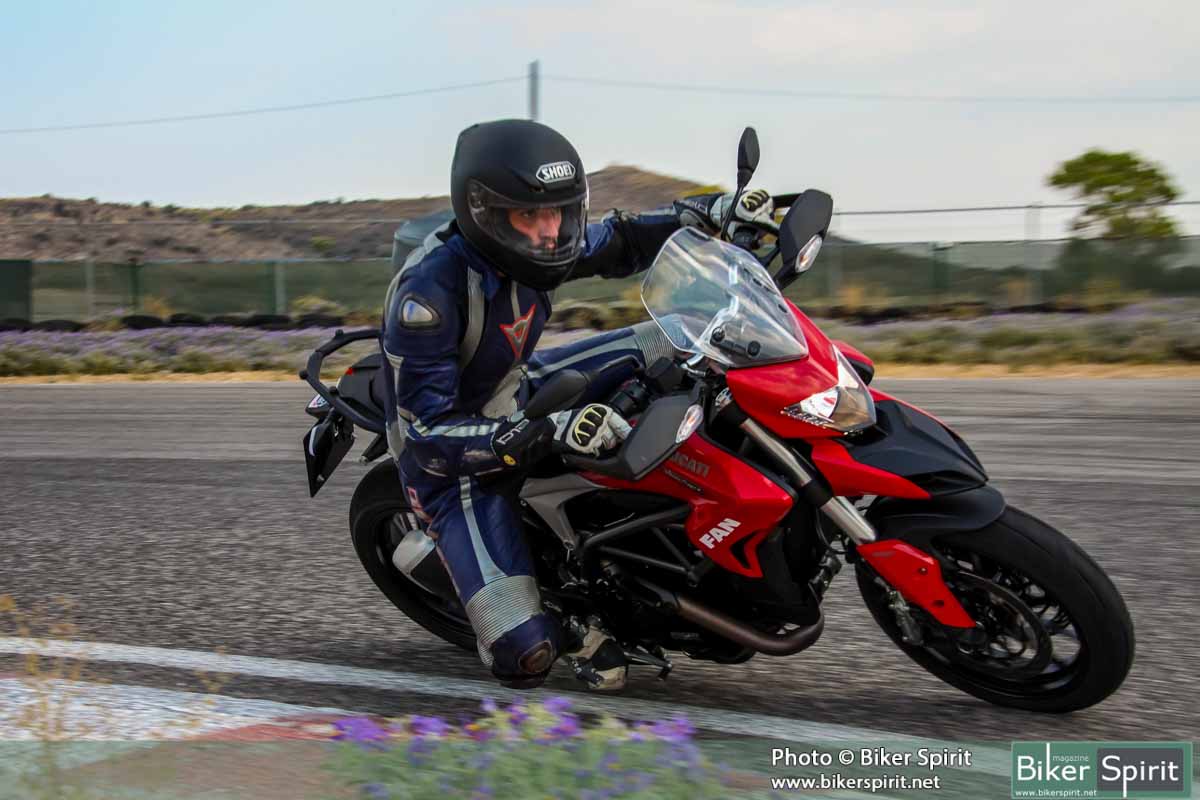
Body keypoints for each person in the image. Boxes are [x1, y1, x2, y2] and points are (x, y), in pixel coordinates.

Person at [381, 119, 772, 691]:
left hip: (517, 388)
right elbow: (426, 438)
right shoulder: (427, 298)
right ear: (485, 213)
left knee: (686, 336)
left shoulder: (539, 242)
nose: (551, 232)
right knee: (523, 655)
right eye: (530, 216)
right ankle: (566, 623)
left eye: (560, 213)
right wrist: (549, 430)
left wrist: (711, 215)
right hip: (453, 458)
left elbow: (620, 241)